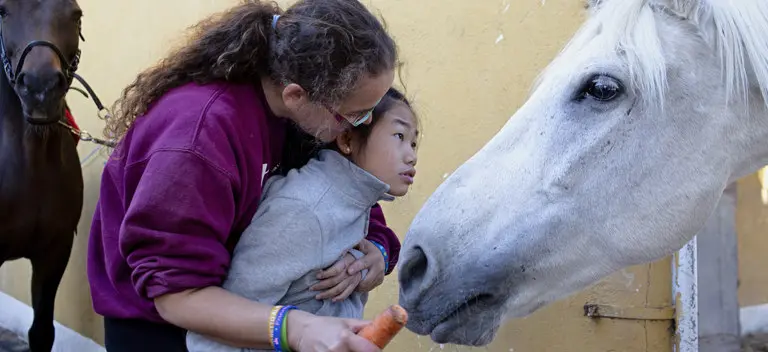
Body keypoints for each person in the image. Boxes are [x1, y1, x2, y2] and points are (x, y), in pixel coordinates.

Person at [86, 1, 402, 351]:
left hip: (248, 320)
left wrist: (377, 248)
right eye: (356, 115)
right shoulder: (197, 140)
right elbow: (175, 294)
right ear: (296, 95)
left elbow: (345, 190)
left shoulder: (305, 117)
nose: (363, 126)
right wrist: (296, 328)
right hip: (162, 331)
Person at [185, 87, 419, 352]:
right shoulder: (305, 209)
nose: (411, 155)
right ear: (347, 140)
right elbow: (218, 330)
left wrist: (376, 254)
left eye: (413, 142)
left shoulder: (353, 201)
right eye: (399, 136)